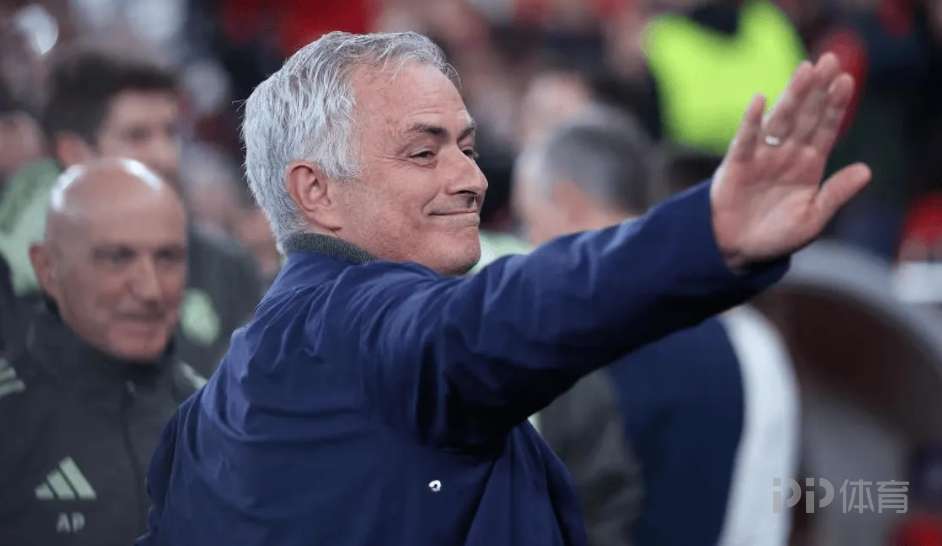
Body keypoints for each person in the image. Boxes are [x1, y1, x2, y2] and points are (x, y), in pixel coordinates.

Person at [139, 31, 870, 546]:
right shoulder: (370, 331)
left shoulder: (203, 420)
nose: (472, 179)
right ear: (316, 192)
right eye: (423, 152)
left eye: (467, 147)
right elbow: (508, 310)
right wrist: (704, 233)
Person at [514, 108, 798, 546]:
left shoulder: (576, 333)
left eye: (528, 221)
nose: (524, 243)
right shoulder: (737, 336)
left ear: (567, 204)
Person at [0, 49, 263, 374]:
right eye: (137, 136)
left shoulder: (226, 265)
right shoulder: (12, 281)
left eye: (171, 133)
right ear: (74, 152)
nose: (165, 156)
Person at [0, 159, 205, 546]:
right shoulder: (8, 424)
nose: (150, 290)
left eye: (167, 258)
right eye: (117, 257)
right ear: (47, 268)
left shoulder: (218, 419)